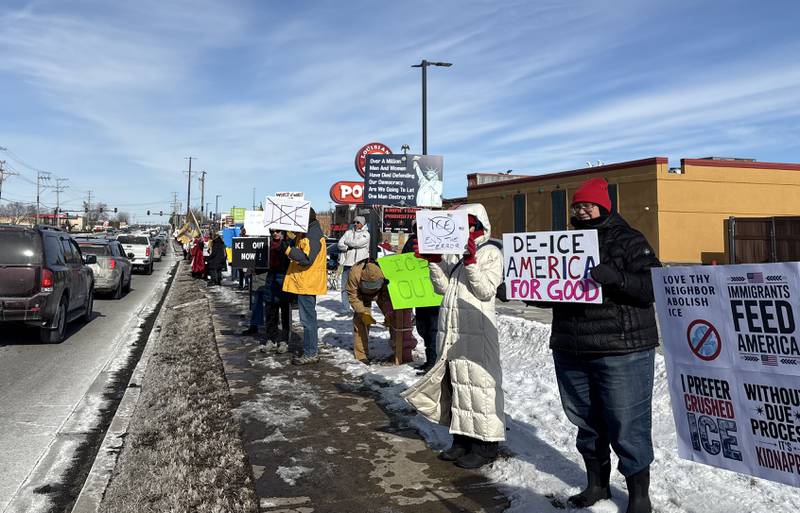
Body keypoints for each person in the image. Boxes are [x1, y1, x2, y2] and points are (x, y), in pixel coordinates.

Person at [530, 177, 660, 513]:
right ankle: (597, 484)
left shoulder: (629, 240)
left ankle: (639, 496)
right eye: (577, 206)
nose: (582, 211)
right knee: (586, 422)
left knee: (627, 424)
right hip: (572, 348)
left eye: (589, 205)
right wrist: (521, 290)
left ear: (604, 206)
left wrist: (617, 278)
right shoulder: (564, 243)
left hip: (622, 350)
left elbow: (653, 288)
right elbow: (552, 291)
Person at [402, 204, 505, 469]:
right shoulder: (455, 253)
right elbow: (443, 288)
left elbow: (484, 291)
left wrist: (471, 262)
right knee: (458, 386)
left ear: (478, 225)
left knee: (480, 387)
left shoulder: (491, 251)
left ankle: (484, 446)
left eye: (467, 224)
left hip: (477, 329)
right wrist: (434, 261)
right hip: (454, 329)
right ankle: (461, 441)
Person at [346, 260, 416, 364]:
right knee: (360, 323)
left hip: (381, 293)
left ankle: (398, 350)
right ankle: (361, 355)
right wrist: (362, 312)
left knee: (395, 318)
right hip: (361, 295)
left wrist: (388, 314)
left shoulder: (385, 273)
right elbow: (352, 295)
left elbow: (387, 295)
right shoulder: (354, 273)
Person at [282, 208, 327, 365]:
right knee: (307, 318)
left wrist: (288, 249)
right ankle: (310, 351)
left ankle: (310, 353)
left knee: (308, 319)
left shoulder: (312, 236)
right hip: (305, 282)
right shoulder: (309, 232)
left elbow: (306, 259)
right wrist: (291, 239)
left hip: (307, 283)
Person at [402, 227, 439, 375]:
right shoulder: (412, 240)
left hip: (434, 292)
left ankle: (433, 361)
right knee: (422, 327)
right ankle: (429, 360)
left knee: (433, 328)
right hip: (419, 291)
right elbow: (403, 259)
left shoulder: (436, 240)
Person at [262, 230, 292, 353]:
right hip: (271, 278)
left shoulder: (288, 243)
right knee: (270, 311)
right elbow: (263, 262)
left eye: (277, 231)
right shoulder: (267, 244)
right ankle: (271, 338)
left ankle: (284, 340)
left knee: (285, 312)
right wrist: (255, 269)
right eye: (273, 231)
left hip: (284, 278)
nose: (275, 234)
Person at [336, 216, 370, 313]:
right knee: (344, 286)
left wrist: (347, 242)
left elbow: (358, 243)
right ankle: (346, 308)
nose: (355, 224)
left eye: (358, 222)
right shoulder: (348, 232)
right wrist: (347, 246)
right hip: (347, 264)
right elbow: (339, 244)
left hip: (359, 265)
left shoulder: (366, 234)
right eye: (354, 222)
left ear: (362, 224)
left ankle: (358, 307)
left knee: (358, 287)